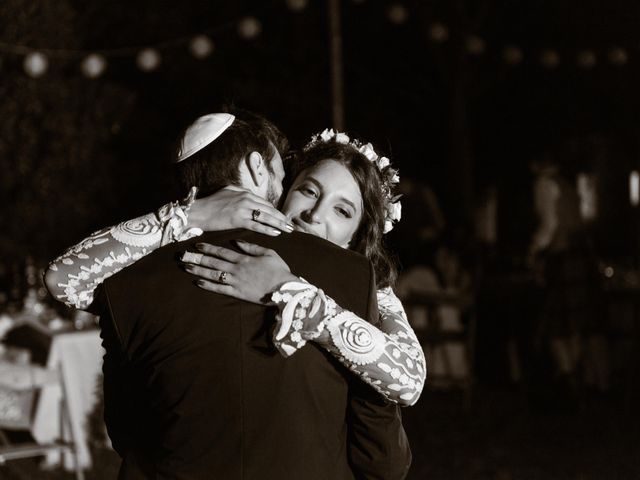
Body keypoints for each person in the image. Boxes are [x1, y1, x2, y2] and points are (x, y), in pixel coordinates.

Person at [45, 110, 412, 479]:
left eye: (342, 209)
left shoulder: (127, 274)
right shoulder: (352, 277)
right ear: (257, 168)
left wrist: (283, 287)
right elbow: (383, 459)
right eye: (301, 187)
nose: (314, 215)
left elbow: (125, 429)